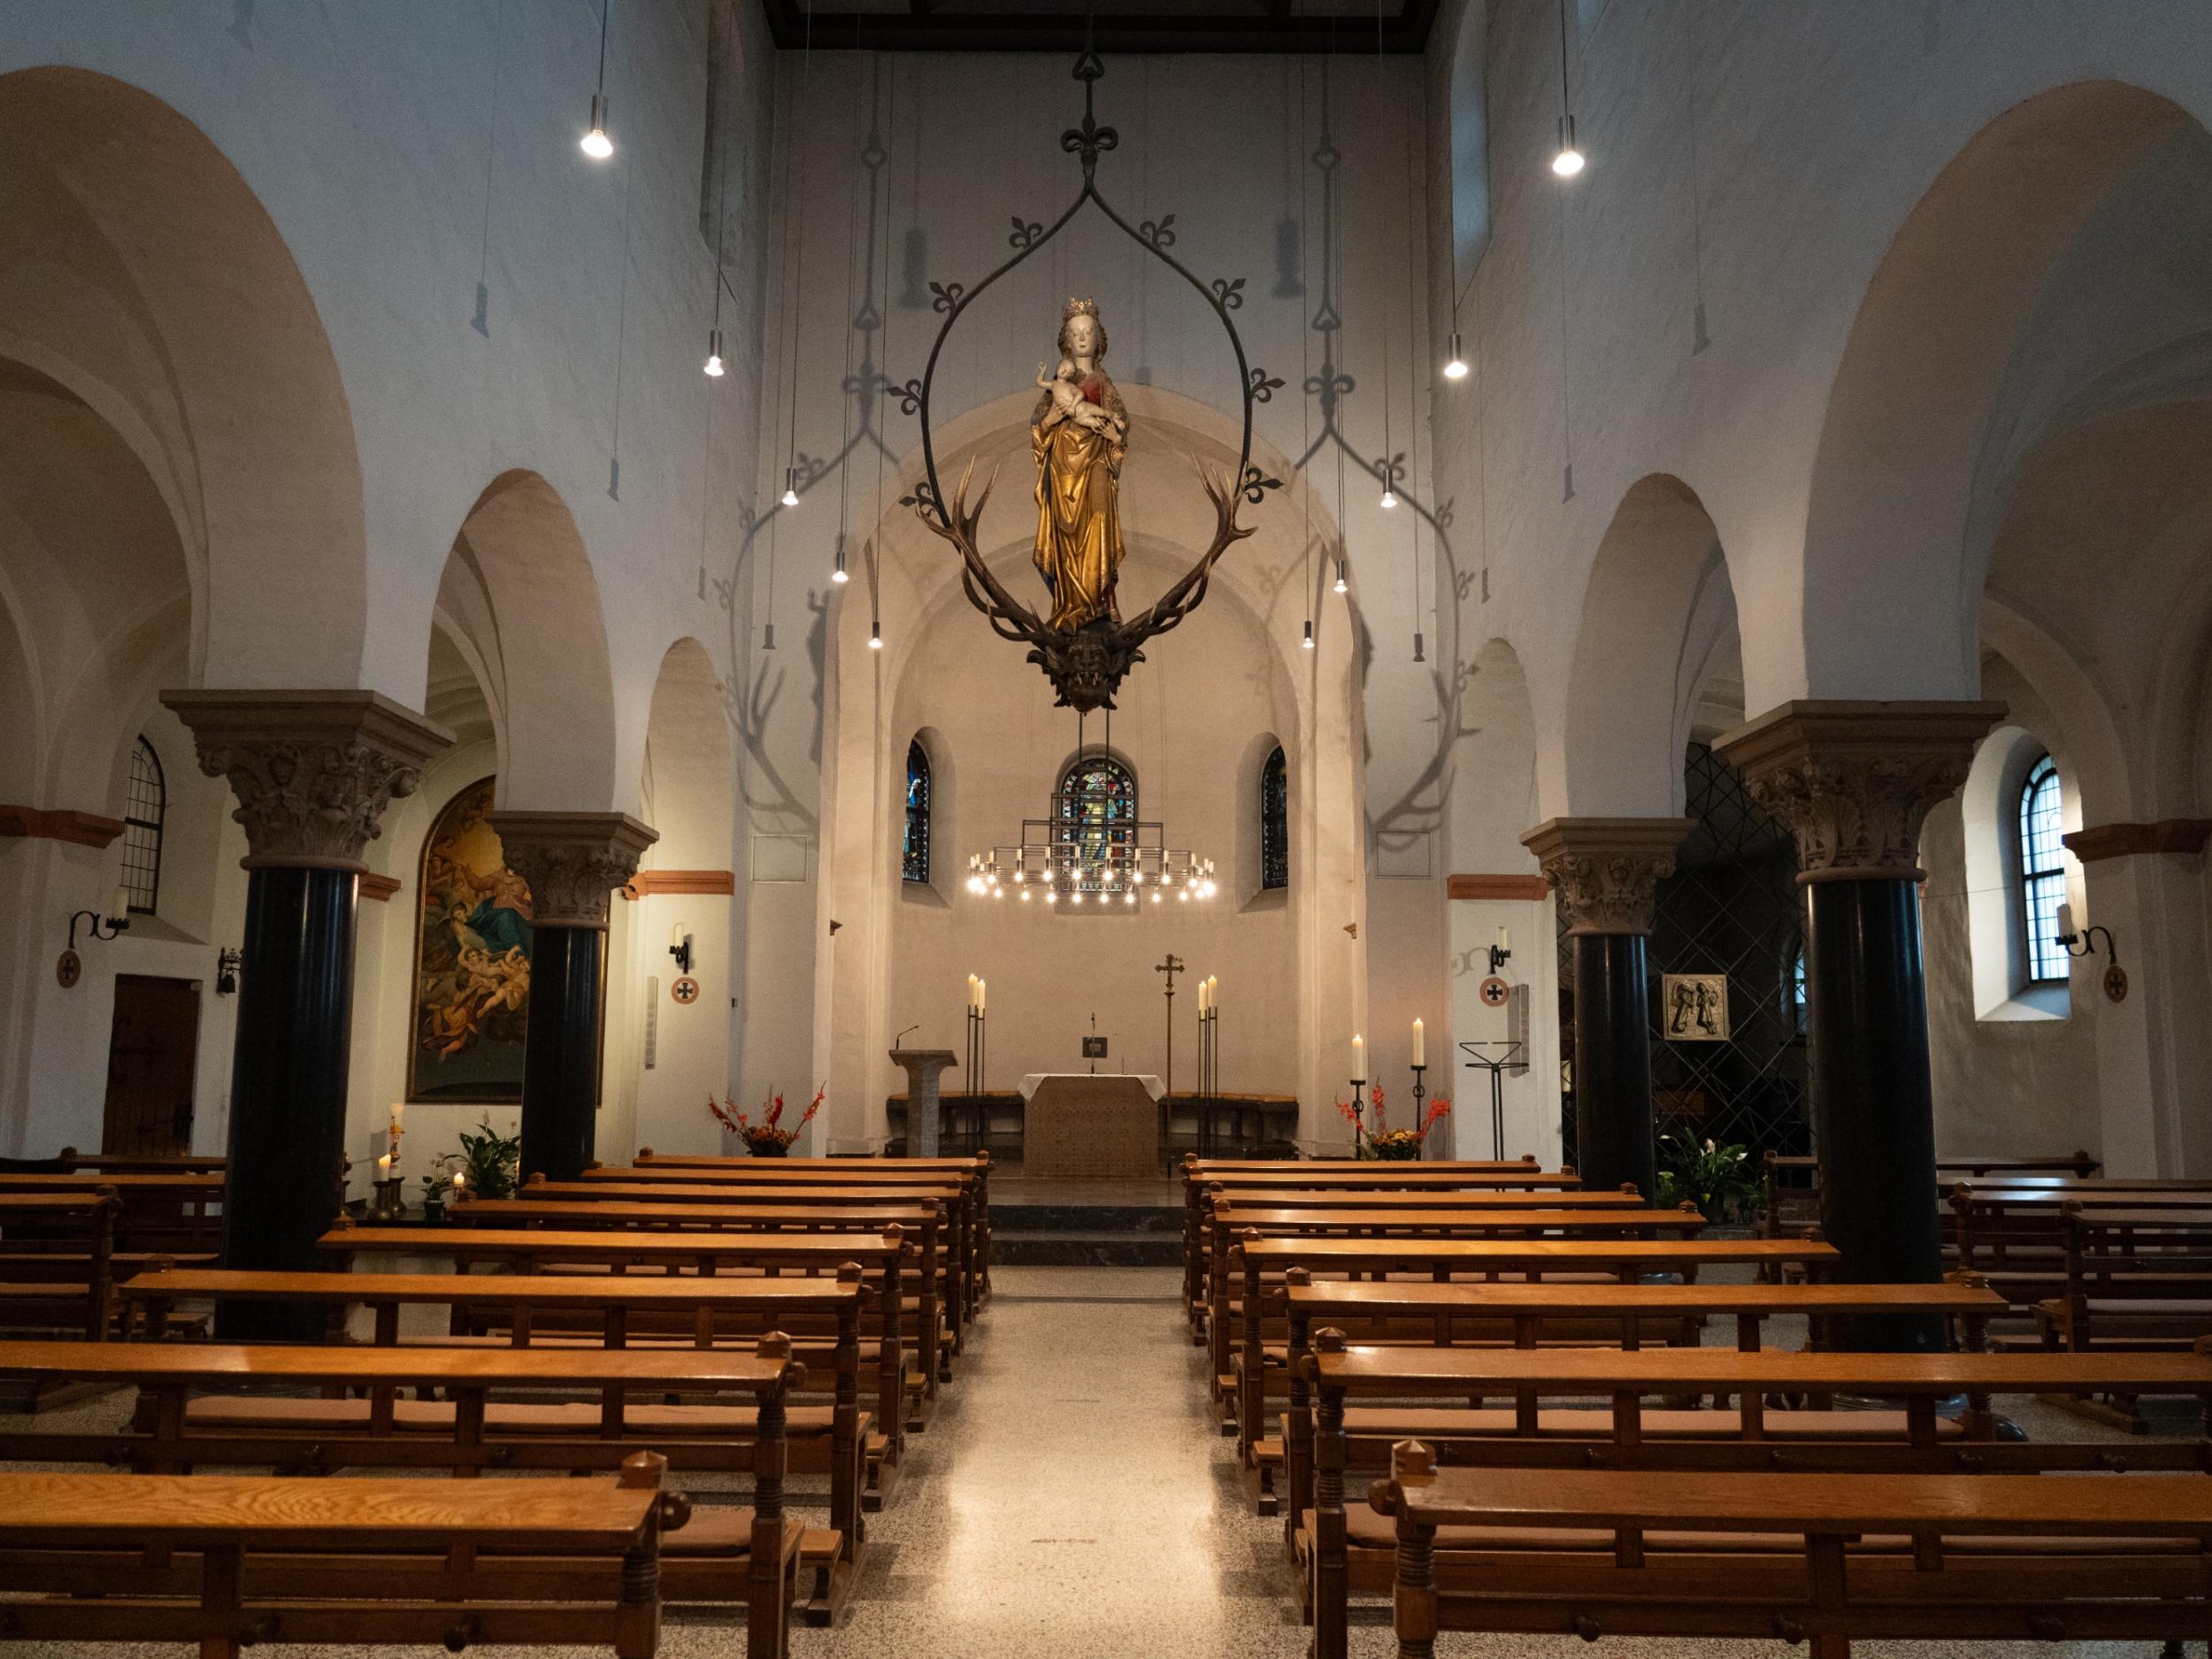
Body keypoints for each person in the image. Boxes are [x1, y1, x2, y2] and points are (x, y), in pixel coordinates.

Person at [1031, 298, 1130, 632]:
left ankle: (1101, 601)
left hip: (1096, 460)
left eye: (1088, 332)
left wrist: (1115, 440)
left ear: (1098, 338)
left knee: (1100, 519)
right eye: (1076, 333)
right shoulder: (1060, 383)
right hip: (1062, 465)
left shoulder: (1103, 383)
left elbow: (1121, 427)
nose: (1083, 338)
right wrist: (1053, 418)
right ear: (1067, 340)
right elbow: (1038, 428)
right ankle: (1070, 603)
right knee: (1064, 533)